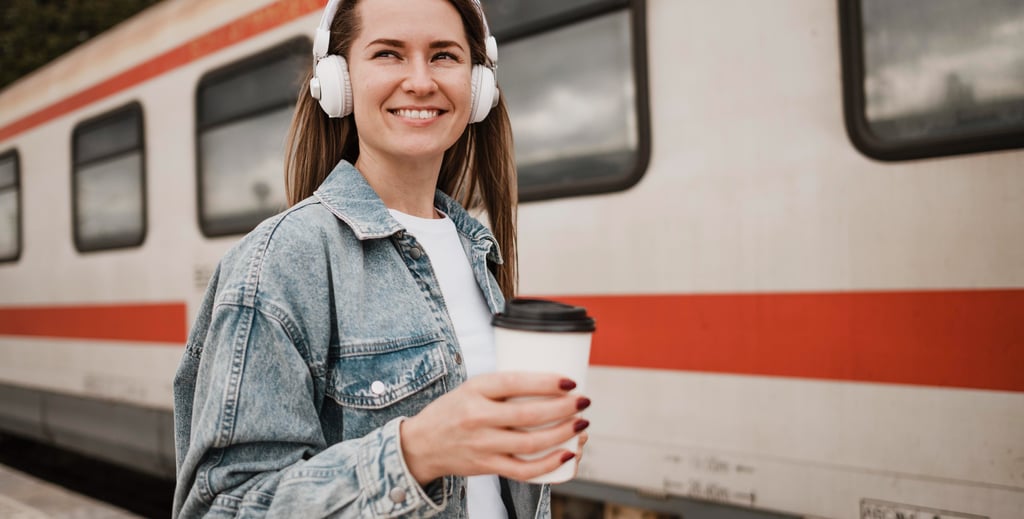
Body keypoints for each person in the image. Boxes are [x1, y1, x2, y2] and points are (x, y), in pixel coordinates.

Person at [171, 0, 590, 517]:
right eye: (389, 54)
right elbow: (223, 507)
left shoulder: (474, 250)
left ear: (477, 87)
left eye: (444, 56)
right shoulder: (282, 258)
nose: (420, 80)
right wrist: (416, 452)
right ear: (338, 80)